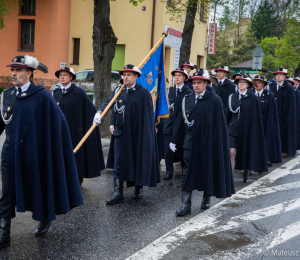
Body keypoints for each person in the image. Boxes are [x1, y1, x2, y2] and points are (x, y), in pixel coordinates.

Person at [0, 55, 83, 248]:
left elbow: (58, 123)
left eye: (18, 70)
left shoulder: (42, 96)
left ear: (29, 74)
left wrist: (54, 148)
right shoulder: (7, 95)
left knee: (39, 187)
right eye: (12, 69)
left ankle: (45, 217)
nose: (13, 73)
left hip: (34, 153)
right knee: (7, 193)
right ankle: (4, 233)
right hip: (10, 153)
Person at [170, 69, 235, 216]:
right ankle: (185, 205)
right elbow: (179, 120)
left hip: (208, 142)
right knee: (186, 173)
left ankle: (206, 198)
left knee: (207, 170)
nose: (196, 85)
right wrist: (174, 140)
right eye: (194, 83)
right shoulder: (187, 98)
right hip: (190, 142)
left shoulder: (214, 100)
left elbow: (219, 125)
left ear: (206, 83)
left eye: (199, 82)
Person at [95, 64, 160, 204]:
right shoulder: (118, 90)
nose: (125, 77)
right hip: (120, 133)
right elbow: (109, 103)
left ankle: (138, 187)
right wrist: (100, 112)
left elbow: (148, 117)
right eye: (124, 75)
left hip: (137, 134)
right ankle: (118, 193)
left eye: (129, 75)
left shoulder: (143, 93)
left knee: (136, 160)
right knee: (118, 162)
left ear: (136, 76)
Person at [53, 67, 105, 186]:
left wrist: (90, 121)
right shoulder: (56, 93)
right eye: (60, 75)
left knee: (76, 156)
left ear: (71, 77)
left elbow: (89, 109)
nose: (62, 77)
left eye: (65, 75)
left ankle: (77, 179)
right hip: (60, 131)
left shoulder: (79, 93)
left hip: (75, 131)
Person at [226, 74, 268, 183]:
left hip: (247, 129)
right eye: (239, 82)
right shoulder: (232, 97)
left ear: (248, 85)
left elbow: (256, 117)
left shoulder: (253, 98)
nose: (241, 84)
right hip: (233, 129)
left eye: (243, 82)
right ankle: (230, 178)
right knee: (231, 152)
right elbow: (227, 115)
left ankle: (246, 172)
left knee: (245, 152)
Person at [163, 68, 193, 180]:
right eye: (175, 75)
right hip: (169, 124)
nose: (176, 77)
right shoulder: (169, 91)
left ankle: (183, 170)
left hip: (182, 126)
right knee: (167, 149)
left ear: (184, 77)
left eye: (179, 75)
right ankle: (169, 171)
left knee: (182, 147)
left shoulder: (189, 92)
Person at [253, 76, 282, 165]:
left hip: (265, 120)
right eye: (256, 83)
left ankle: (267, 158)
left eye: (259, 83)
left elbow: (272, 111)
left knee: (266, 140)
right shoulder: (250, 94)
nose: (257, 85)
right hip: (253, 121)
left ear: (263, 84)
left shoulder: (269, 95)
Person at [269, 68, 296, 157]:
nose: (278, 76)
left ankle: (285, 150)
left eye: (281, 75)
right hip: (273, 113)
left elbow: (292, 104)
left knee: (284, 132)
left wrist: (290, 117)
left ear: (284, 76)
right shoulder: (271, 86)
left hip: (284, 114)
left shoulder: (289, 88)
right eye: (277, 75)